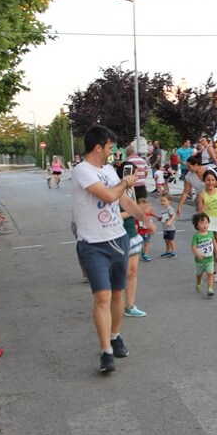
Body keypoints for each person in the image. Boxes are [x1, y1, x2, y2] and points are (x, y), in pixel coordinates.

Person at [72, 124, 150, 374]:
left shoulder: (108, 170)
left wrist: (145, 218)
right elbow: (108, 196)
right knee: (102, 296)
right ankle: (106, 351)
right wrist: (126, 182)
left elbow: (124, 200)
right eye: (108, 147)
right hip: (93, 244)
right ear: (98, 147)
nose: (111, 151)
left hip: (118, 238)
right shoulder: (82, 171)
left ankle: (115, 336)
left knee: (118, 294)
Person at [120, 182, 155, 317]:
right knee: (116, 274)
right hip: (115, 236)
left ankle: (129, 306)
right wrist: (135, 211)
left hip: (132, 235)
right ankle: (111, 305)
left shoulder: (132, 189)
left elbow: (134, 210)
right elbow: (114, 216)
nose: (134, 178)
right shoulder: (113, 188)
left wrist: (145, 219)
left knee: (132, 272)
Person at [191, 212, 217, 297]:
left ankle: (210, 288)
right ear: (197, 225)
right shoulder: (196, 236)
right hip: (200, 260)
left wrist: (216, 250)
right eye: (202, 223)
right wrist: (197, 254)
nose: (205, 225)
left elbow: (213, 241)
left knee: (210, 273)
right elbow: (193, 247)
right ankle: (199, 281)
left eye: (206, 222)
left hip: (209, 259)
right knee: (199, 274)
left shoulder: (210, 233)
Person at [136, 197, 155, 261]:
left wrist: (157, 217)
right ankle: (142, 252)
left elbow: (151, 216)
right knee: (140, 244)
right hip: (140, 232)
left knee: (146, 243)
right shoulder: (137, 214)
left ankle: (146, 254)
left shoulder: (148, 213)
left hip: (147, 231)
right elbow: (136, 223)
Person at [159, 194, 177, 258]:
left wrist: (170, 221)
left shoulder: (170, 208)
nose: (162, 202)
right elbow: (165, 217)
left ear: (169, 201)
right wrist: (160, 218)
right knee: (166, 240)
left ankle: (174, 252)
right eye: (161, 201)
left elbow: (174, 216)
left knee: (171, 240)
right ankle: (168, 251)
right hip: (165, 228)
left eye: (164, 201)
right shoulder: (164, 209)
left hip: (170, 228)